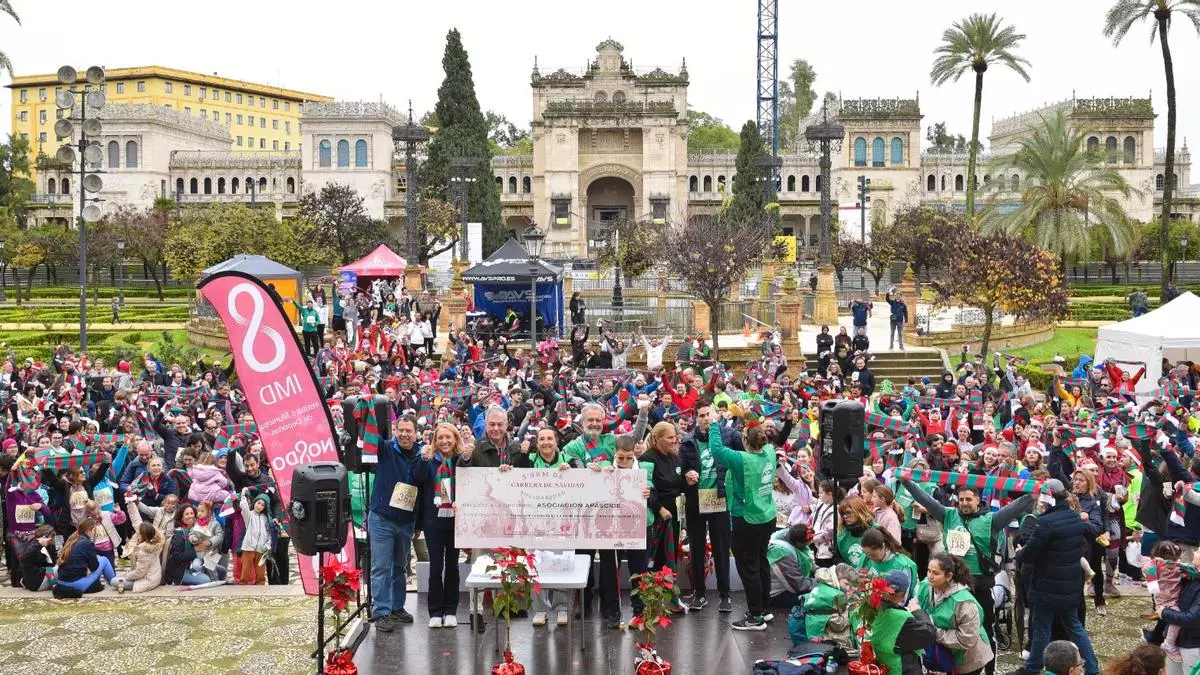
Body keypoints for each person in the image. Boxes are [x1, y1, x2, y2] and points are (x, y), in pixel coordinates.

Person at [1010, 479, 1100, 675]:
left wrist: (1019, 553)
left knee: (1042, 629)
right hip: (1070, 585)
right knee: (1075, 627)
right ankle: (1093, 668)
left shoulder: (1046, 522)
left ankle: (1033, 668)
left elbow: (1030, 552)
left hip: (1046, 586)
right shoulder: (1075, 517)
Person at [709, 419, 777, 630]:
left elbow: (716, 449)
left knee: (748, 568)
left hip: (747, 518)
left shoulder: (741, 460)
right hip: (767, 516)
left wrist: (713, 424)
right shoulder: (770, 451)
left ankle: (755, 617)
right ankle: (764, 609)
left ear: (745, 440)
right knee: (761, 562)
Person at [369, 417, 431, 632]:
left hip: (406, 521)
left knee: (400, 567)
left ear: (416, 433)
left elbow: (423, 487)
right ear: (395, 431)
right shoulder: (386, 449)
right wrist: (367, 409)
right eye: (400, 430)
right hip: (382, 519)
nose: (404, 434)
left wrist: (418, 523)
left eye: (408, 431)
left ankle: (396, 607)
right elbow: (369, 435)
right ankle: (381, 612)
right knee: (381, 567)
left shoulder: (422, 454)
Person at [912, 553, 993, 675]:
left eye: (936, 573)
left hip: (969, 658)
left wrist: (932, 631)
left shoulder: (964, 603)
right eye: (929, 571)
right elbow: (914, 603)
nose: (930, 576)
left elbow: (966, 639)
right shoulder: (926, 586)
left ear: (949, 576)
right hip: (948, 652)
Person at [870, 569, 938, 675]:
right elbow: (929, 634)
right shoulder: (902, 619)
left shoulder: (867, 608)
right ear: (903, 594)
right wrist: (917, 611)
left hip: (876, 667)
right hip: (900, 669)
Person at [54, 518, 117, 598]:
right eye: (94, 530)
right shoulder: (87, 543)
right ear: (88, 531)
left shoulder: (72, 540)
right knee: (104, 559)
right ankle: (114, 582)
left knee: (98, 558)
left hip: (61, 582)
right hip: (76, 584)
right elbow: (94, 567)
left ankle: (113, 580)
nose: (94, 532)